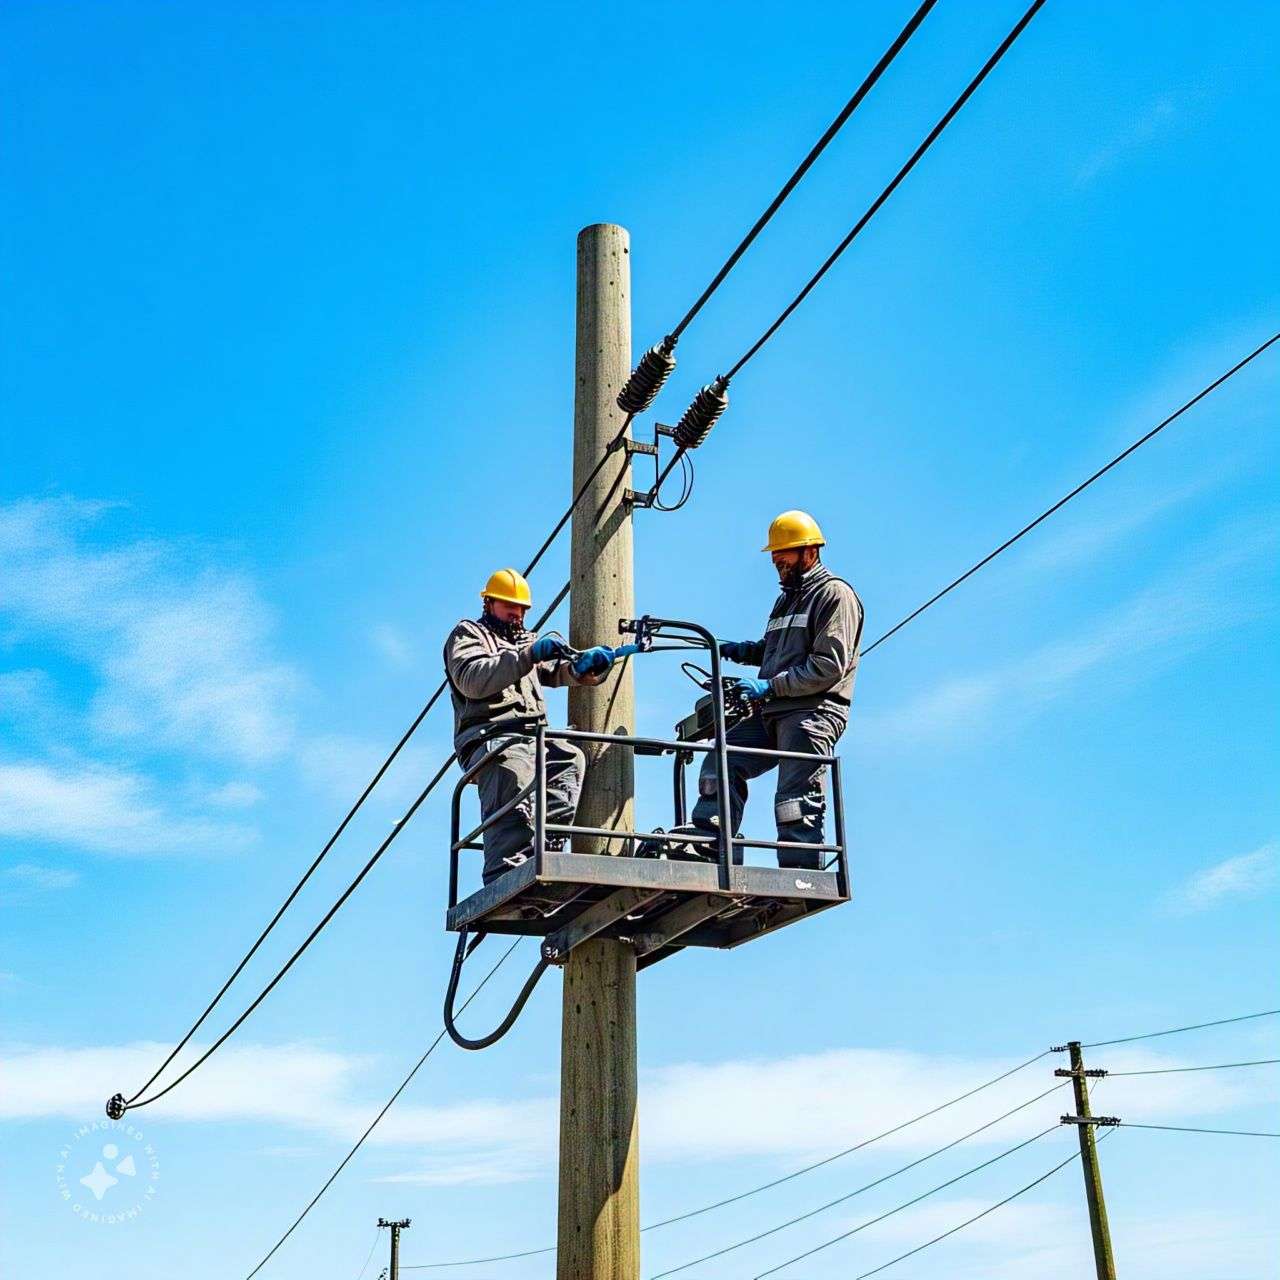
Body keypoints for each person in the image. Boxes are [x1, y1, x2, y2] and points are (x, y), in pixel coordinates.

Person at [690, 510, 863, 870]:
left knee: (793, 795)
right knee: (722, 758)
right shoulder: (786, 600)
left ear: (809, 551)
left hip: (811, 712)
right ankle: (711, 847)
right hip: (773, 707)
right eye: (774, 556)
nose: (776, 562)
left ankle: (800, 868)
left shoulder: (834, 595)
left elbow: (827, 667)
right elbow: (778, 652)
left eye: (783, 554)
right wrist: (743, 651)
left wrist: (768, 685)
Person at [444, 568, 616, 885]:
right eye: (510, 606)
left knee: (568, 757)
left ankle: (545, 851)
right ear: (489, 603)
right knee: (514, 764)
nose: (517, 613)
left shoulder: (525, 641)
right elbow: (473, 680)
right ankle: (505, 869)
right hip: (489, 738)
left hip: (531, 738)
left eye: (522, 608)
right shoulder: (469, 636)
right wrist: (526, 655)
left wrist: (586, 669)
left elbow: (559, 669)